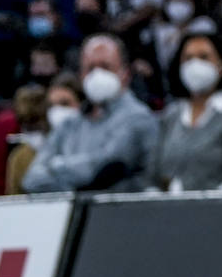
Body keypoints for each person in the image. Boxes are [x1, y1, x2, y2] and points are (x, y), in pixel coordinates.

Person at [21, 33, 158, 193]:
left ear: (125, 74)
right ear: (81, 75)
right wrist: (74, 182)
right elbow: (31, 179)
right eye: (90, 68)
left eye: (105, 67)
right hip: (75, 214)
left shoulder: (138, 117)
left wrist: (57, 166)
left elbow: (107, 168)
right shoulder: (70, 124)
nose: (97, 74)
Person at [151, 29, 222, 191]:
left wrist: (218, 199)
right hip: (172, 209)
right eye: (188, 58)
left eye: (204, 57)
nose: (194, 64)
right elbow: (155, 172)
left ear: (221, 66)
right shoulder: (172, 114)